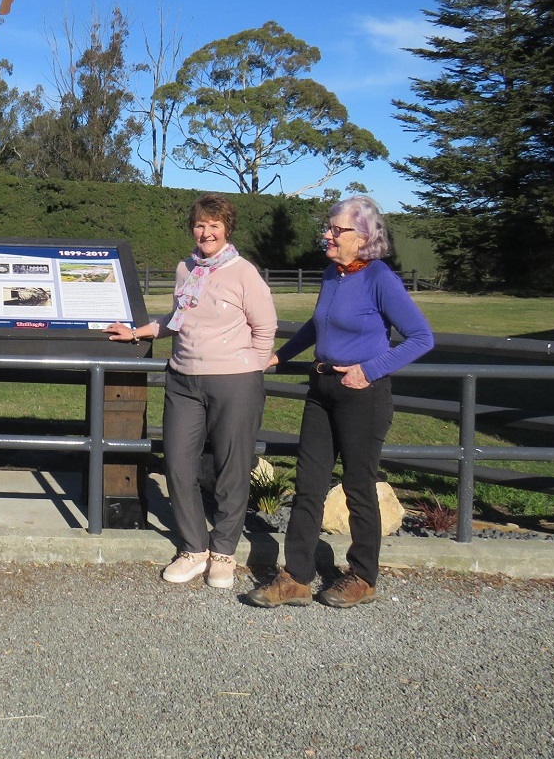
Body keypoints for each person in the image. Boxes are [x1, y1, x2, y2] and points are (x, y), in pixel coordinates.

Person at [246, 195, 434, 610]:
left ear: (363, 237)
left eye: (336, 229)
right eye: (328, 228)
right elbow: (318, 326)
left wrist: (369, 370)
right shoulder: (333, 274)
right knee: (309, 486)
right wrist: (280, 355)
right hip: (322, 390)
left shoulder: (380, 277)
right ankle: (295, 578)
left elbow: (422, 338)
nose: (327, 235)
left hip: (362, 395)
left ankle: (363, 577)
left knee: (358, 487)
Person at [107, 194, 277, 589]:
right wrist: (137, 332)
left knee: (231, 468)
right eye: (201, 225)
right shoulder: (186, 268)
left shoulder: (243, 272)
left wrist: (249, 362)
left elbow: (264, 326)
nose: (207, 232)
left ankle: (223, 553)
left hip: (235, 382)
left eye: (215, 226)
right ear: (193, 228)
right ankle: (194, 549)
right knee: (179, 464)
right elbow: (177, 318)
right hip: (183, 380)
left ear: (227, 229)